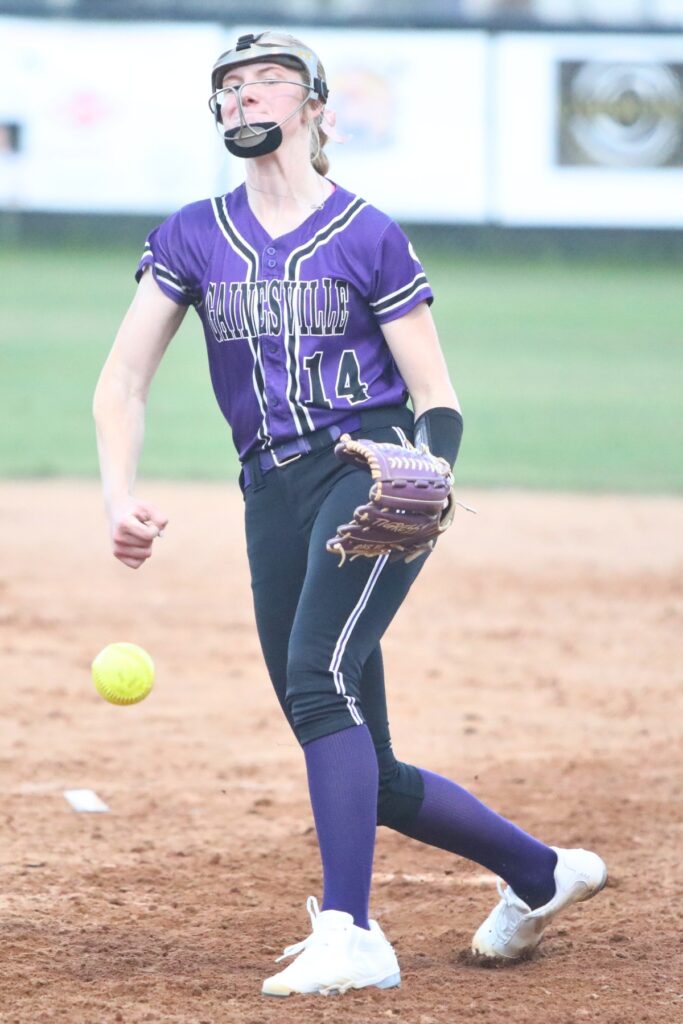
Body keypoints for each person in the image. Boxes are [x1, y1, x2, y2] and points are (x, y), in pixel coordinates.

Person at [93, 30, 607, 998]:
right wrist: (119, 497)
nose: (244, 98)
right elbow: (121, 380)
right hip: (267, 490)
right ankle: (541, 872)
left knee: (313, 677)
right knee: (351, 746)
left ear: (315, 107)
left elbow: (438, 397)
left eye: (267, 82)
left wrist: (428, 478)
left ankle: (352, 930)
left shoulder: (367, 233)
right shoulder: (191, 235)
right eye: (229, 87)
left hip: (365, 476)